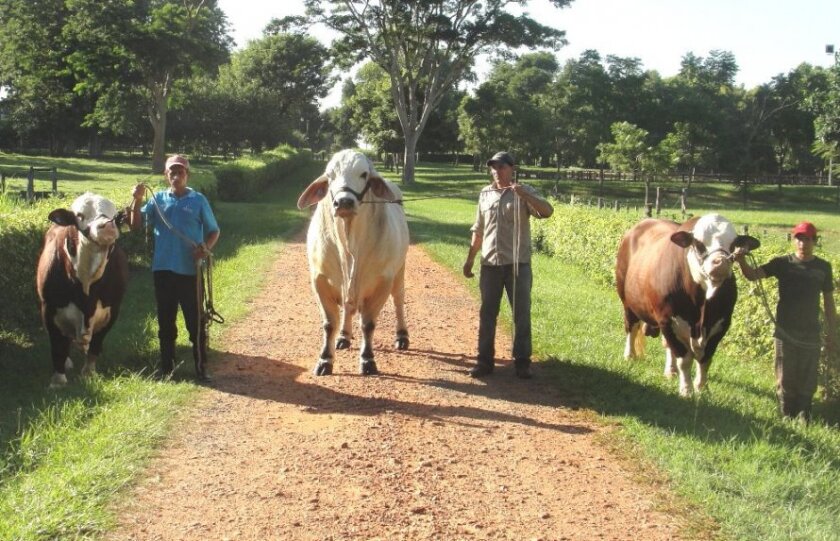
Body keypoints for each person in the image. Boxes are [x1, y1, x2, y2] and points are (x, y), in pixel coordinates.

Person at [127, 155, 220, 380]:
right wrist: (137, 200)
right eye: (172, 172)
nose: (176, 176)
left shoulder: (198, 200)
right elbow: (134, 225)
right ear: (166, 175)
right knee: (165, 321)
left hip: (190, 271)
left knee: (194, 322)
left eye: (181, 172)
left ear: (187, 175)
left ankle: (201, 367)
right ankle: (167, 368)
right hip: (163, 270)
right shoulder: (157, 199)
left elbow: (214, 231)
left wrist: (204, 248)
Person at [463, 151, 554, 379]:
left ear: (512, 168)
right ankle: (484, 362)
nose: (496, 171)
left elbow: (547, 211)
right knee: (487, 314)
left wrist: (524, 195)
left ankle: (522, 361)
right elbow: (478, 230)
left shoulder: (522, 192)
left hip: (518, 265)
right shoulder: (485, 194)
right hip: (490, 265)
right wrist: (470, 259)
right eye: (493, 167)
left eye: (501, 167)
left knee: (521, 314)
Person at [734, 221, 836, 421]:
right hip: (785, 331)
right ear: (794, 240)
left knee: (808, 377)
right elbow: (753, 276)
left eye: (807, 239)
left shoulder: (823, 268)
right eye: (799, 238)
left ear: (815, 241)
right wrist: (741, 262)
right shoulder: (782, 263)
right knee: (785, 377)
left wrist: (832, 332)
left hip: (811, 332)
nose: (802, 243)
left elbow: (829, 302)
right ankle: (786, 417)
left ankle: (804, 416)